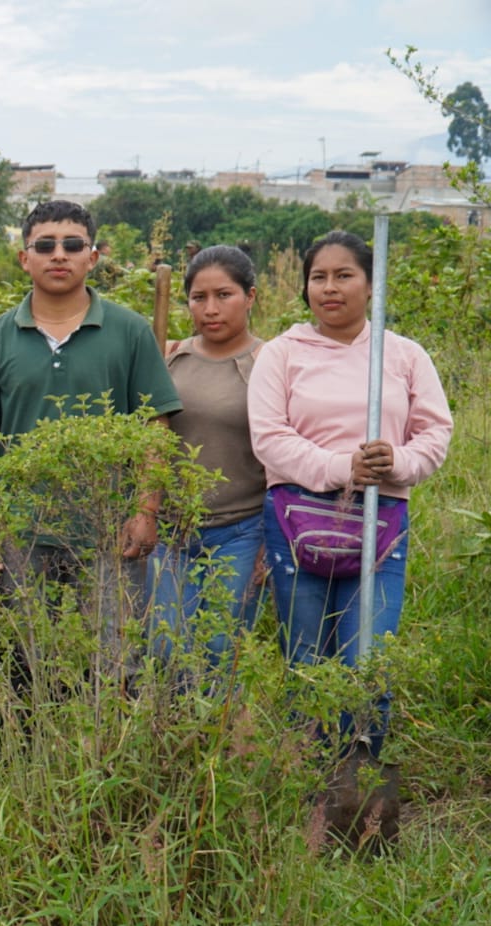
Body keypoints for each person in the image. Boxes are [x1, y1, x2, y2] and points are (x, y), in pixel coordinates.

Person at [248, 230, 452, 757]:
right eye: (319, 277)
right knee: (306, 661)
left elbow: (435, 433)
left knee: (368, 660)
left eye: (345, 276)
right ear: (305, 287)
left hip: (380, 522)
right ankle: (310, 788)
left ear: (371, 285)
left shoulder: (403, 355)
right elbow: (269, 438)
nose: (330, 288)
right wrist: (344, 466)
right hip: (297, 519)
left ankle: (360, 781)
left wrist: (396, 461)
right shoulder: (282, 354)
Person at [0, 201, 181, 678]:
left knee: (114, 663)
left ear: (92, 257)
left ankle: (107, 752)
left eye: (73, 245)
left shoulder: (129, 331)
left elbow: (154, 429)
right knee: (25, 662)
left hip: (109, 530)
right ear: (25, 258)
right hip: (21, 531)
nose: (59, 255)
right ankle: (34, 751)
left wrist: (145, 510)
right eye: (45, 245)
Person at [149, 245, 267, 665]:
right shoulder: (168, 355)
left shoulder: (269, 363)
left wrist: (270, 541)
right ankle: (168, 731)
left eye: (224, 295)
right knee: (164, 645)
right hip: (168, 531)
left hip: (241, 530)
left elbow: (282, 456)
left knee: (219, 649)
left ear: (250, 297)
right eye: (199, 298)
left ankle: (216, 732)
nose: (211, 309)